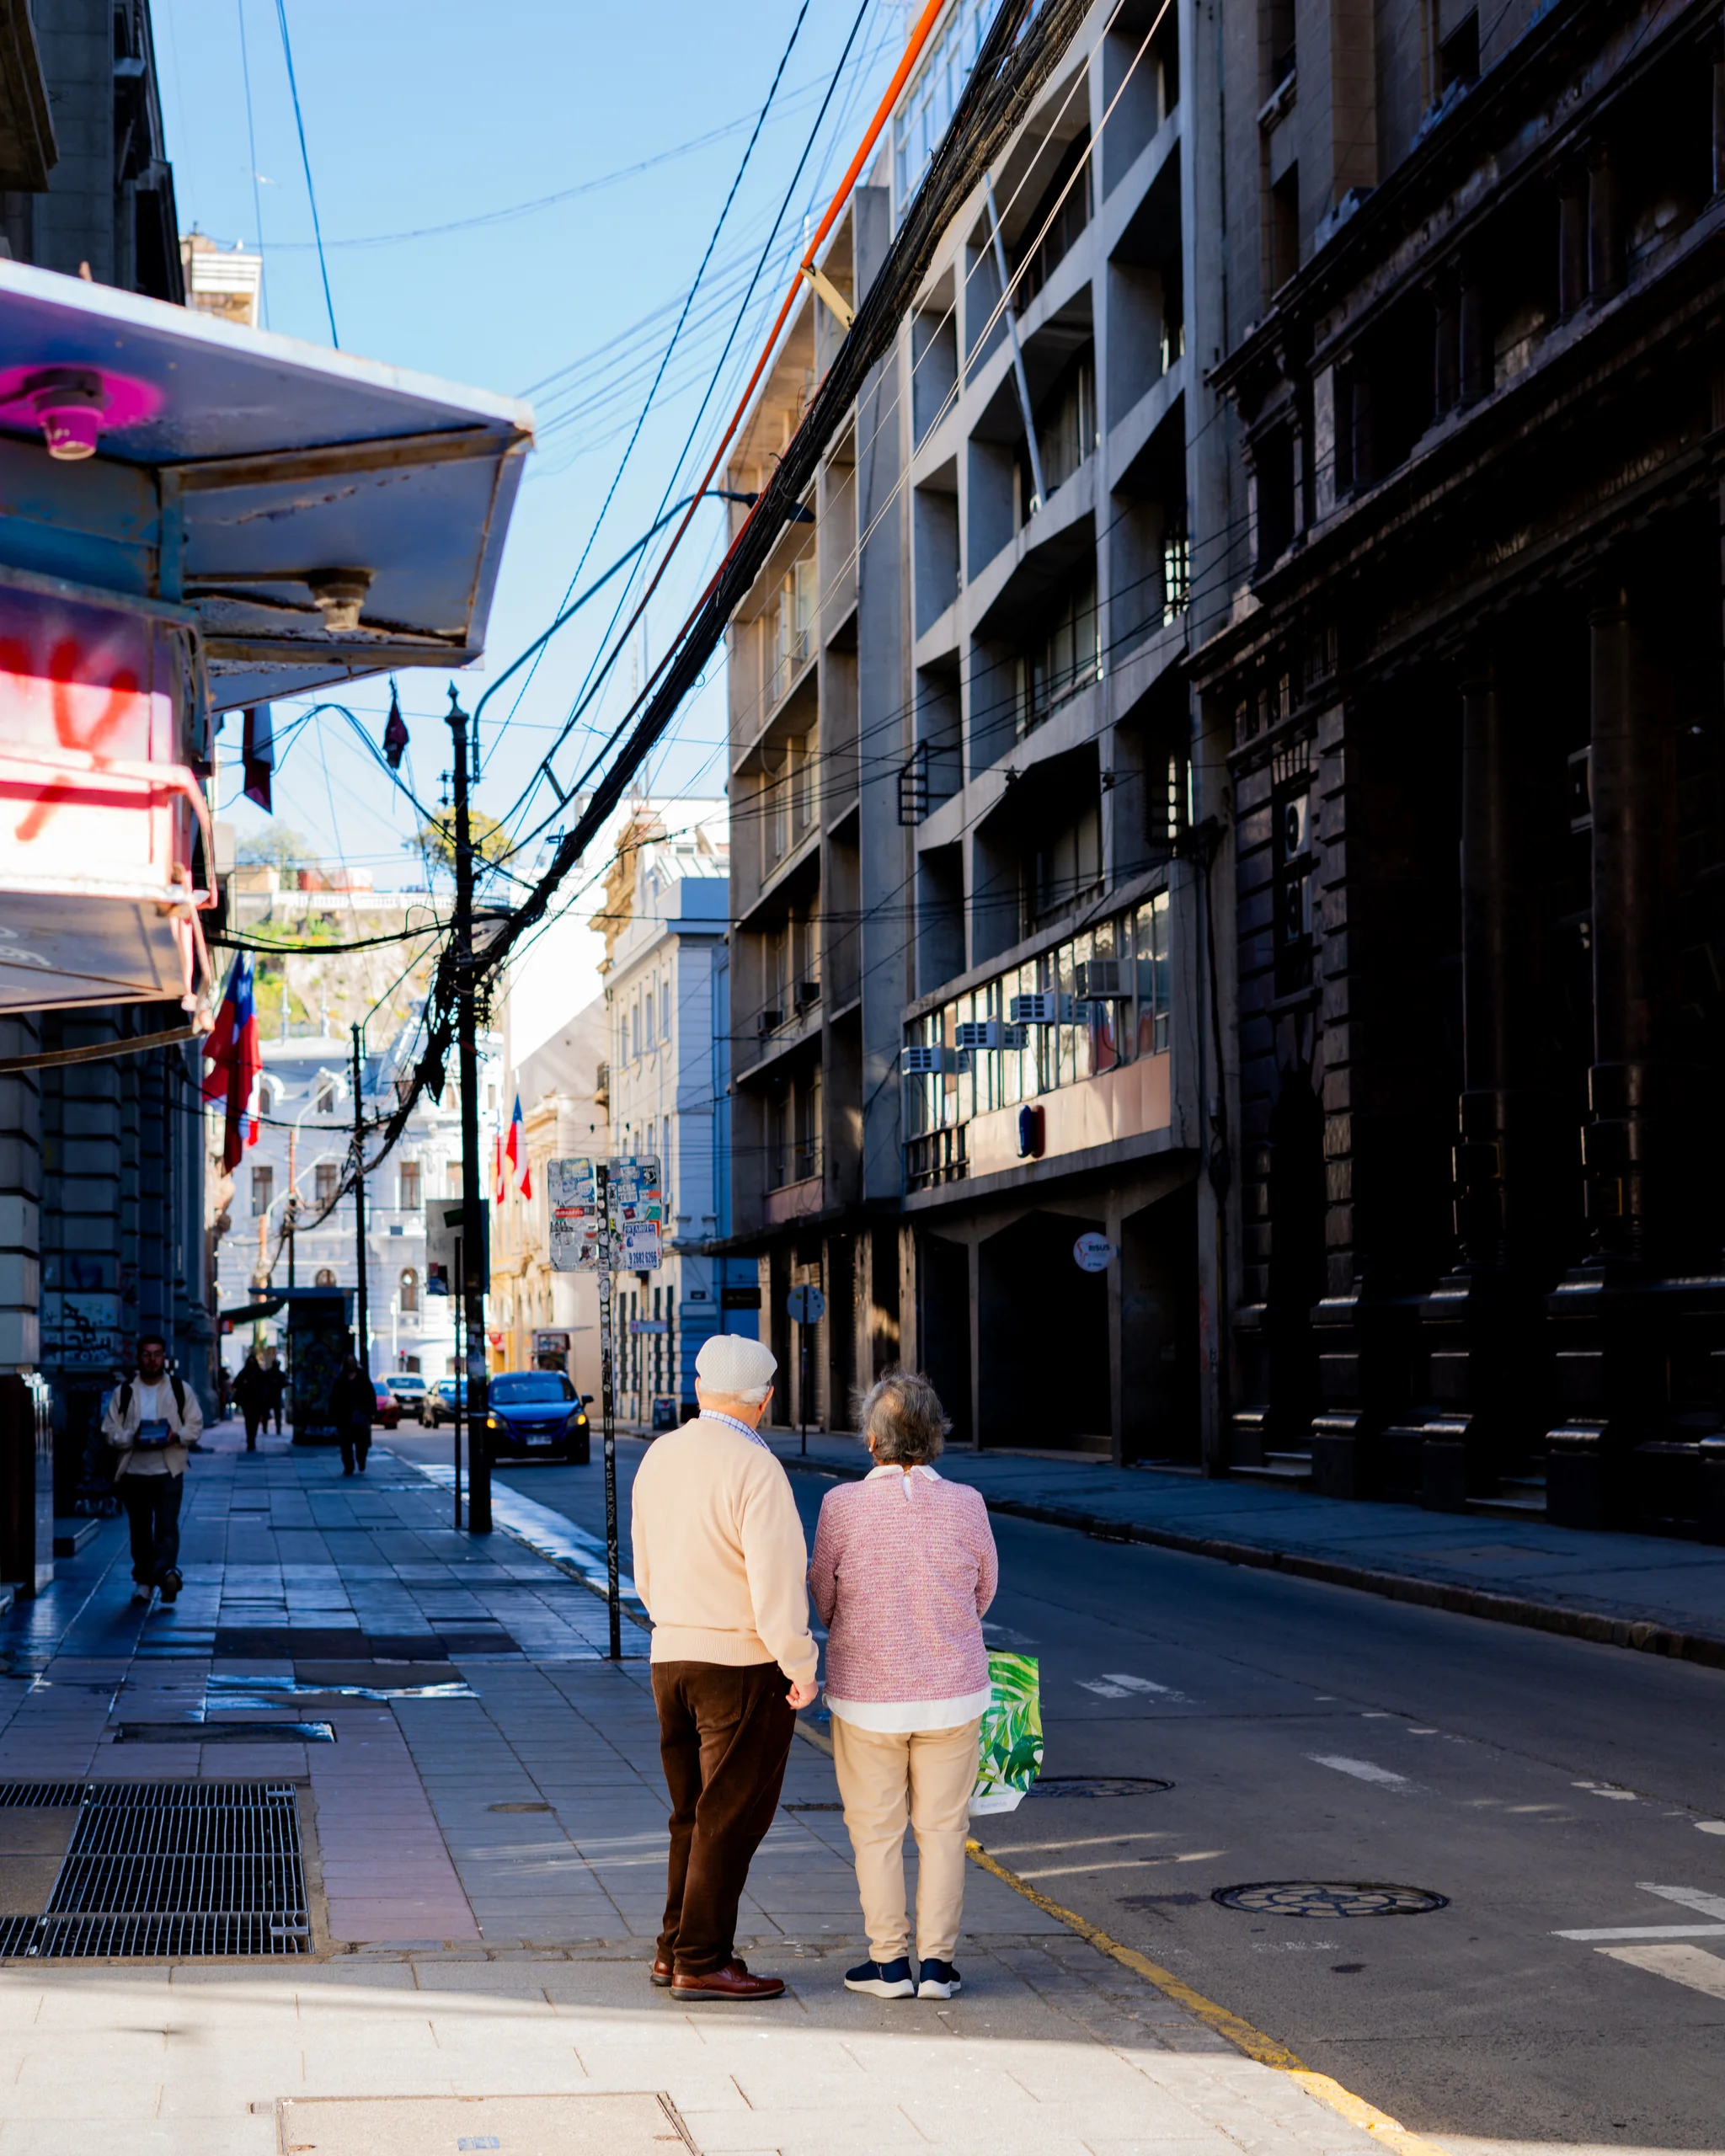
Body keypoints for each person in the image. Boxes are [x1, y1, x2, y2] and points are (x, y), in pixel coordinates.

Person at [630, 1333, 819, 2003]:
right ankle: (703, 1960)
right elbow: (776, 1583)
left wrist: (675, 1620)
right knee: (730, 1816)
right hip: (738, 1662)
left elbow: (643, 1568)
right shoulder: (755, 1466)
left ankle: (674, 1946)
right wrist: (800, 1663)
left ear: (700, 1388)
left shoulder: (660, 1454)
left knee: (691, 1813)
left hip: (670, 1657)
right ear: (764, 1398)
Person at [809, 1369, 998, 2004]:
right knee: (944, 1830)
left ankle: (889, 1964)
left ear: (871, 1440)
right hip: (953, 1691)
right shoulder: (968, 1503)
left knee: (876, 1831)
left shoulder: (841, 1506)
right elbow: (984, 1591)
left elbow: (823, 1597)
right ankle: (939, 1967)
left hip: (868, 1696)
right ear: (936, 1437)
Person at [103, 1331, 203, 1606]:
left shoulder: (180, 1390)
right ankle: (146, 1582)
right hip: (134, 1472)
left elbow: (195, 1426)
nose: (152, 1360)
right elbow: (110, 1431)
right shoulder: (123, 1393)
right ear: (138, 1357)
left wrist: (176, 1436)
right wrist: (131, 1438)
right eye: (147, 1354)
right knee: (140, 1530)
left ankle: (165, 1574)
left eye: (157, 1354)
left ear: (164, 1357)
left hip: (168, 1470)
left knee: (167, 1528)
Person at [329, 1352, 373, 1476]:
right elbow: (335, 1397)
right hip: (345, 1416)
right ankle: (349, 1466)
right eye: (349, 1363)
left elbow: (370, 1394)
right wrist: (334, 1414)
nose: (351, 1365)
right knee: (346, 1444)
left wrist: (370, 1412)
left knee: (362, 1443)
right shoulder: (341, 1379)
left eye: (352, 1363)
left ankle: (361, 1460)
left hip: (360, 1415)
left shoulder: (362, 1378)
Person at [232, 1351, 268, 1450]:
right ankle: (250, 1440)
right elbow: (236, 1383)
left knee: (254, 1422)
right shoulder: (244, 1373)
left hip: (256, 1402)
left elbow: (265, 1385)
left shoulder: (259, 1373)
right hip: (247, 1402)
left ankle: (252, 1439)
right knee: (249, 1422)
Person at [266, 1354, 288, 1435]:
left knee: (276, 1414)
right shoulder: (274, 1374)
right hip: (271, 1396)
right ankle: (276, 1429)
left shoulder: (278, 1374)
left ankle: (277, 1429)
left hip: (274, 1396)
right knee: (274, 1414)